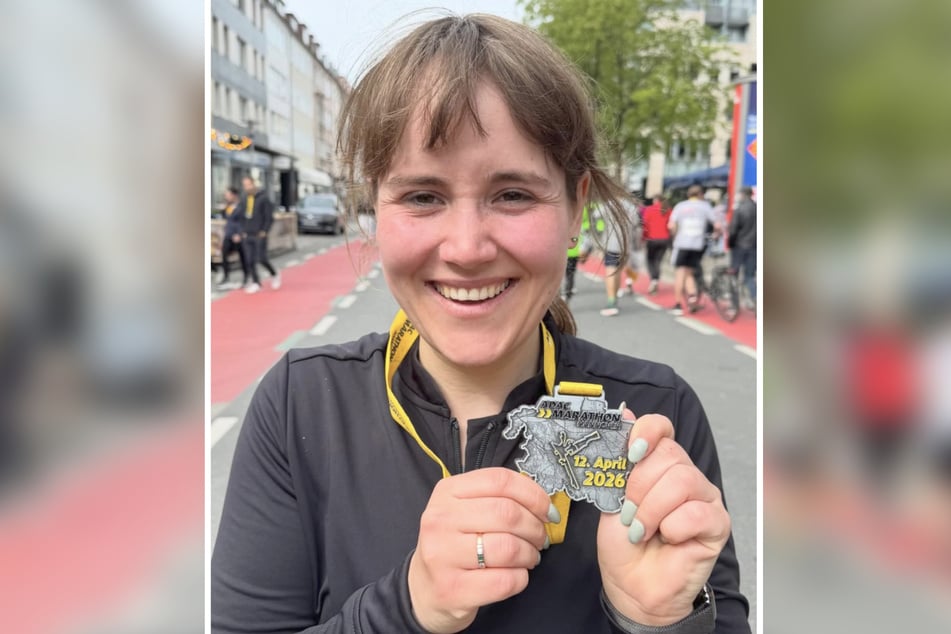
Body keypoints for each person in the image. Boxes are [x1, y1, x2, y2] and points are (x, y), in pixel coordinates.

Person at [212, 14, 749, 634]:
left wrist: (657, 621)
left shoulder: (657, 415)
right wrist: (406, 607)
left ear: (577, 207)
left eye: (513, 194)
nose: (467, 249)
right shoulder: (301, 404)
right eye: (423, 196)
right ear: (374, 210)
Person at [668, 185, 720, 315]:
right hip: (697, 246)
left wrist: (675, 237)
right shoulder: (705, 206)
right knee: (689, 273)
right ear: (701, 194)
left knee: (680, 273)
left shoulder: (680, 206)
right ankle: (692, 296)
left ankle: (678, 305)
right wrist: (716, 235)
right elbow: (717, 225)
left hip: (682, 244)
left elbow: (671, 225)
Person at [240, 175, 281, 294]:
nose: (247, 187)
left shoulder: (263, 199)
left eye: (249, 184)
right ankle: (256, 282)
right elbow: (242, 216)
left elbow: (269, 217)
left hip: (259, 233)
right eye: (245, 185)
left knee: (261, 258)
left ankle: (274, 274)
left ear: (254, 184)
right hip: (247, 233)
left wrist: (264, 230)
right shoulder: (244, 199)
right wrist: (242, 230)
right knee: (249, 260)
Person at [727, 186, 756, 308]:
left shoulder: (739, 209)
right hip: (754, 247)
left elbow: (733, 229)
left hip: (739, 246)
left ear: (743, 195)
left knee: (734, 274)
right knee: (749, 276)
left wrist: (730, 243)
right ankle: (755, 298)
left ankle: (734, 304)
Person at [216, 186, 248, 291]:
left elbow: (243, 221)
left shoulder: (241, 206)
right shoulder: (228, 206)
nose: (226, 197)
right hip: (228, 234)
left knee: (242, 256)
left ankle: (246, 276)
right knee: (224, 254)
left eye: (228, 195)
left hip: (238, 235)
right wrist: (223, 209)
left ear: (234, 195)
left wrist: (239, 233)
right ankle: (226, 276)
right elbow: (226, 218)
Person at [640, 193, 672, 295]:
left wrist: (643, 238)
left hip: (652, 239)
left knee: (650, 261)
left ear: (655, 200)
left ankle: (654, 280)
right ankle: (656, 280)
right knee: (658, 261)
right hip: (665, 239)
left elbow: (645, 225)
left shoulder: (649, 209)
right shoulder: (668, 210)